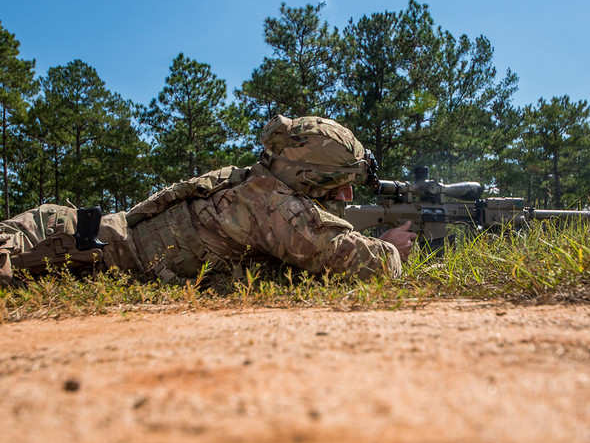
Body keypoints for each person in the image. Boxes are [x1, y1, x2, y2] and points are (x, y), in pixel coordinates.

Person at [0, 115, 416, 284]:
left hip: (81, 234)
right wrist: (391, 247)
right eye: (337, 185)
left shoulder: (255, 183)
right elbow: (365, 265)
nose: (345, 195)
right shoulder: (275, 206)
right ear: (307, 177)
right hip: (66, 242)